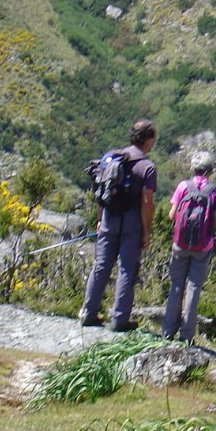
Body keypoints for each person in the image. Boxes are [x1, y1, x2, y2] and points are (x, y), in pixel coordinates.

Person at [80, 119, 157, 332]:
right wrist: (147, 231)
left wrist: (100, 219)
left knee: (101, 265)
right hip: (131, 222)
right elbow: (147, 203)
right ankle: (119, 319)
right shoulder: (147, 167)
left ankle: (88, 313)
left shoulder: (112, 158)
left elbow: (100, 192)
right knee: (127, 269)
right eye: (153, 139)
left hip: (108, 217)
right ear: (148, 140)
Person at [162, 150, 216, 342]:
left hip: (180, 243)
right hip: (203, 246)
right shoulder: (214, 191)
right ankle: (186, 336)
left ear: (192, 168)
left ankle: (168, 332)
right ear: (211, 170)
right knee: (193, 288)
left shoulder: (183, 186)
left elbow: (171, 215)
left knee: (176, 285)